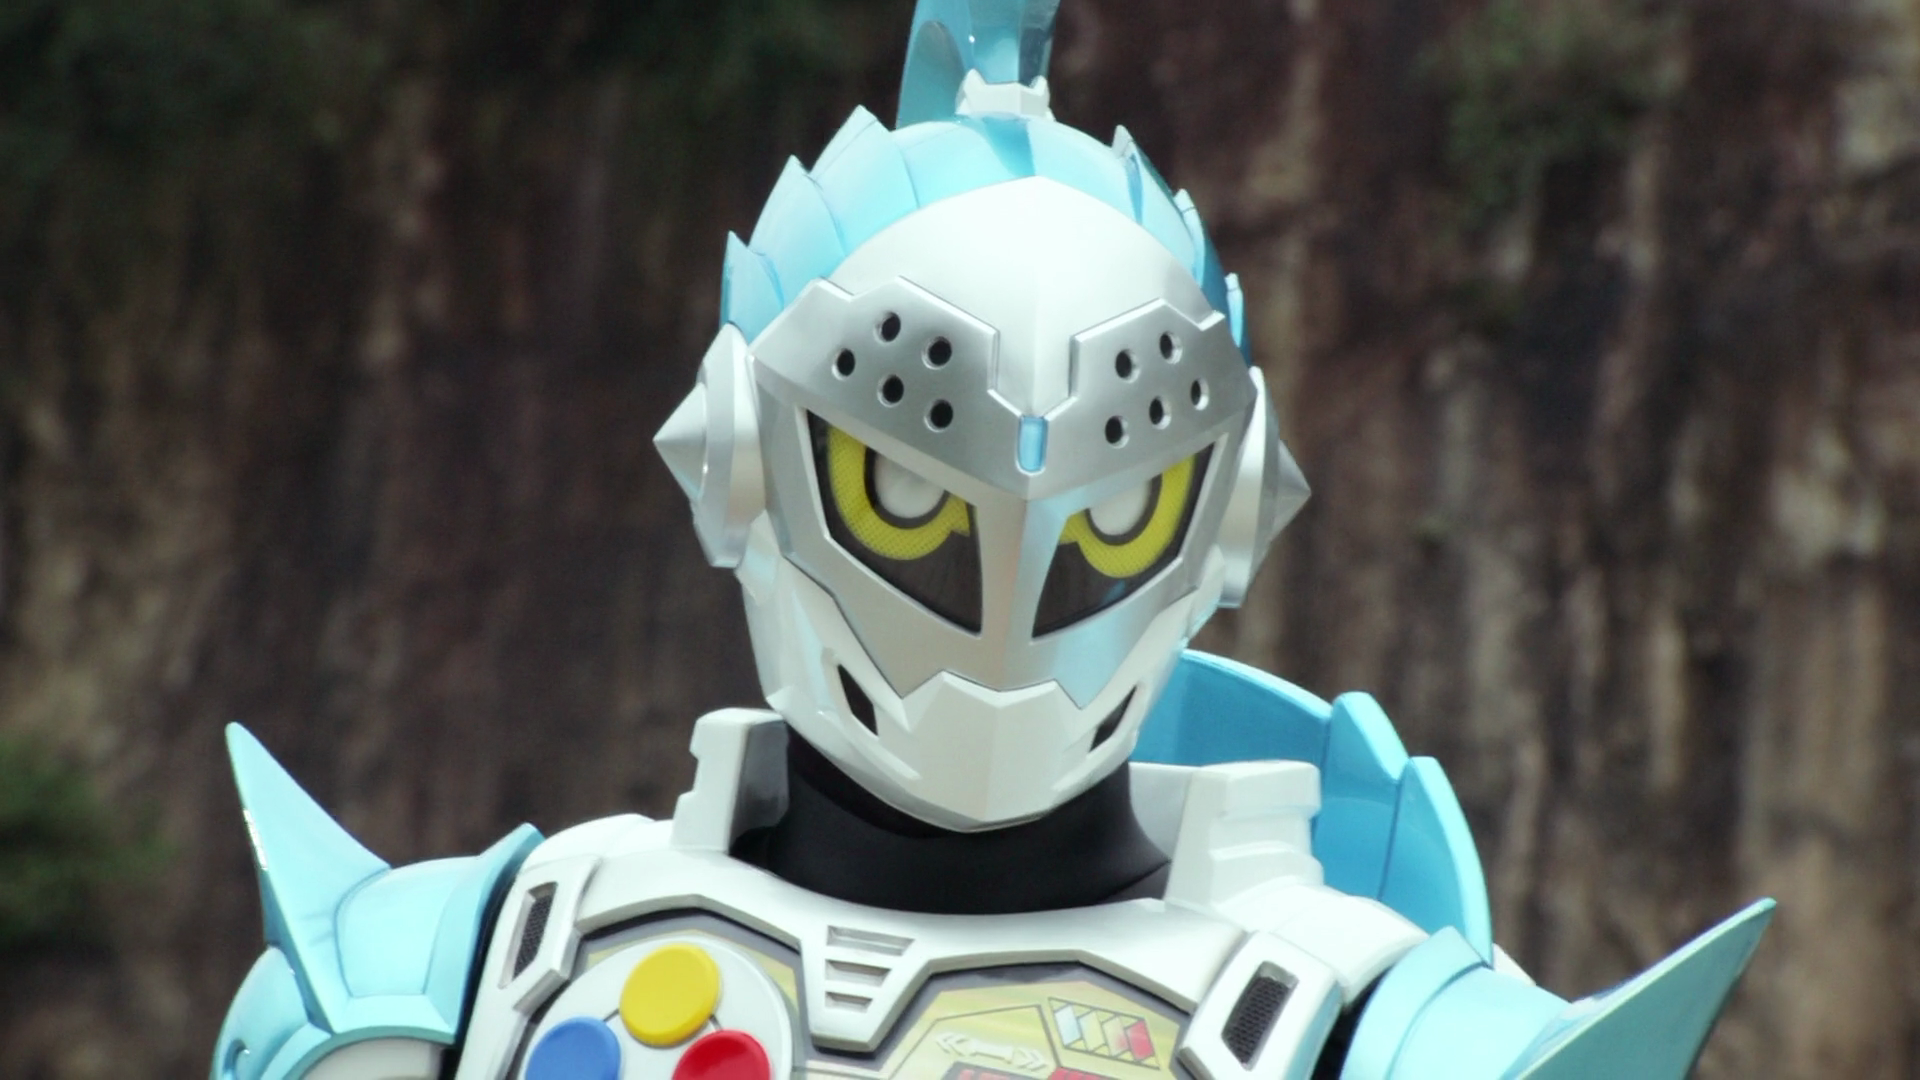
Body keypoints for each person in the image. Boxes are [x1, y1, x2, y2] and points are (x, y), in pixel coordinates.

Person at [211, 3, 1772, 1077]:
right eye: (905, 497)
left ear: (1227, 512)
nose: (1010, 605)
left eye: (1112, 511)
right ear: (738, 460)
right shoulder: (458, 975)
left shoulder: (1374, 1031)